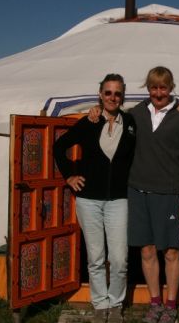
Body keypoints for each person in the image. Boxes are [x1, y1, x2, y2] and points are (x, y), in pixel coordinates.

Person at [54, 74, 136, 323]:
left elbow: (155, 116)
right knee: (96, 256)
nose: (113, 97)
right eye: (108, 92)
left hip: (119, 199)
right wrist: (69, 176)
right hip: (88, 199)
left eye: (118, 93)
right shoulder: (88, 122)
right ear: (100, 94)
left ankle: (116, 303)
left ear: (123, 96)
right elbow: (60, 146)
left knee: (120, 258)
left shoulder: (132, 122)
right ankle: (101, 305)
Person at [120, 66, 179, 323]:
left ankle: (171, 305)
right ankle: (155, 303)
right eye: (153, 87)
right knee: (146, 251)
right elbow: (113, 123)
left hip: (170, 193)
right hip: (139, 191)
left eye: (163, 87)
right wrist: (97, 111)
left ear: (171, 88)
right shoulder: (136, 114)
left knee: (172, 252)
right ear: (148, 88)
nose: (158, 92)